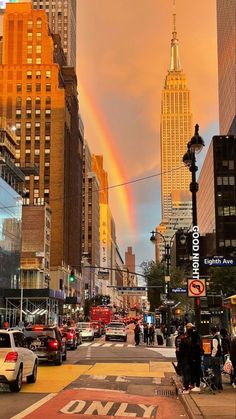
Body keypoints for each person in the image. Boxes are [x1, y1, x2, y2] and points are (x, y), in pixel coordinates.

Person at [179, 323, 194, 394]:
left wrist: (180, 360)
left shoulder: (184, 340)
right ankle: (190, 386)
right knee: (190, 373)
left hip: (185, 359)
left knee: (186, 374)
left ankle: (186, 387)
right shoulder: (195, 339)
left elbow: (181, 351)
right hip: (192, 359)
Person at [211, 326, 223, 390]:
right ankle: (219, 385)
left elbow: (215, 348)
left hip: (215, 357)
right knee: (218, 371)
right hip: (219, 356)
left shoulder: (214, 338)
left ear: (212, 332)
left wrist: (212, 356)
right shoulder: (219, 337)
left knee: (215, 371)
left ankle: (216, 385)